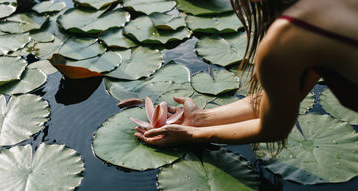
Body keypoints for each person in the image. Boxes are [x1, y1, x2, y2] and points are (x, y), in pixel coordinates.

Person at [135, 0, 358, 147]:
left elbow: (274, 128)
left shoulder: (287, 38)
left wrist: (192, 136)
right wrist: (202, 119)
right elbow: (279, 101)